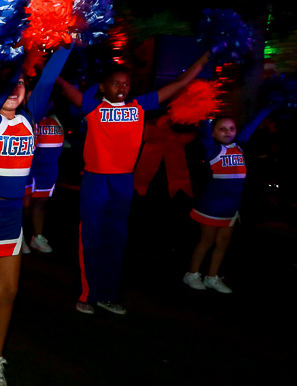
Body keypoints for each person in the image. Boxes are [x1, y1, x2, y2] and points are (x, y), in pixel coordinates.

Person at [56, 52, 210, 314]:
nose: (122, 88)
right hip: (95, 180)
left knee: (117, 239)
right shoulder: (92, 107)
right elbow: (63, 86)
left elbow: (180, 84)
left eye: (126, 84)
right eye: (115, 83)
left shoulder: (139, 106)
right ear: (102, 87)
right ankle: (87, 294)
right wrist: (53, 71)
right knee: (91, 236)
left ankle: (108, 294)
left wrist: (204, 60)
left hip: (123, 182)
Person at [0, 48, 70, 386]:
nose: (15, 88)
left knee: (8, 292)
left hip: (10, 221)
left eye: (21, 83)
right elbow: (6, 81)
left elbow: (49, 78)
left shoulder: (30, 117)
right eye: (10, 83)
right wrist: (13, 60)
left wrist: (65, 37)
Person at [183, 106, 276, 293]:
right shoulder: (212, 149)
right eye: (222, 129)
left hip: (232, 206)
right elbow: (203, 128)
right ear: (213, 133)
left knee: (224, 242)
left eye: (231, 128)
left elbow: (252, 124)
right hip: (212, 205)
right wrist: (200, 110)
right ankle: (192, 274)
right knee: (207, 241)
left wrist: (267, 108)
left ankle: (212, 276)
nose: (228, 132)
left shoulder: (239, 145)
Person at [23, 106, 65, 253]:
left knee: (40, 204)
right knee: (24, 205)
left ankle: (37, 237)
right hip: (30, 169)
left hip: (49, 170)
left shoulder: (60, 116)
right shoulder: (25, 117)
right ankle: (18, 235)